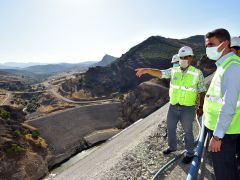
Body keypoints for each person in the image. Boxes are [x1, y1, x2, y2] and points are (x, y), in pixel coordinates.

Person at [135, 48, 206, 164]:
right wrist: (147, 70)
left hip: (188, 108)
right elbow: (160, 73)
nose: (183, 59)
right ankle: (172, 147)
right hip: (173, 107)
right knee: (170, 127)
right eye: (181, 57)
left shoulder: (197, 73)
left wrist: (201, 107)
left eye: (186, 57)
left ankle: (190, 153)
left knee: (188, 131)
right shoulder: (174, 71)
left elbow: (202, 91)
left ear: (191, 58)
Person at [203, 28, 240, 180]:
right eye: (206, 45)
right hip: (223, 129)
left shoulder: (232, 68)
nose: (208, 48)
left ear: (225, 44)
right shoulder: (224, 65)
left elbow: (228, 105)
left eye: (211, 44)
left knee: (225, 174)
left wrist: (217, 137)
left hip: (226, 133)